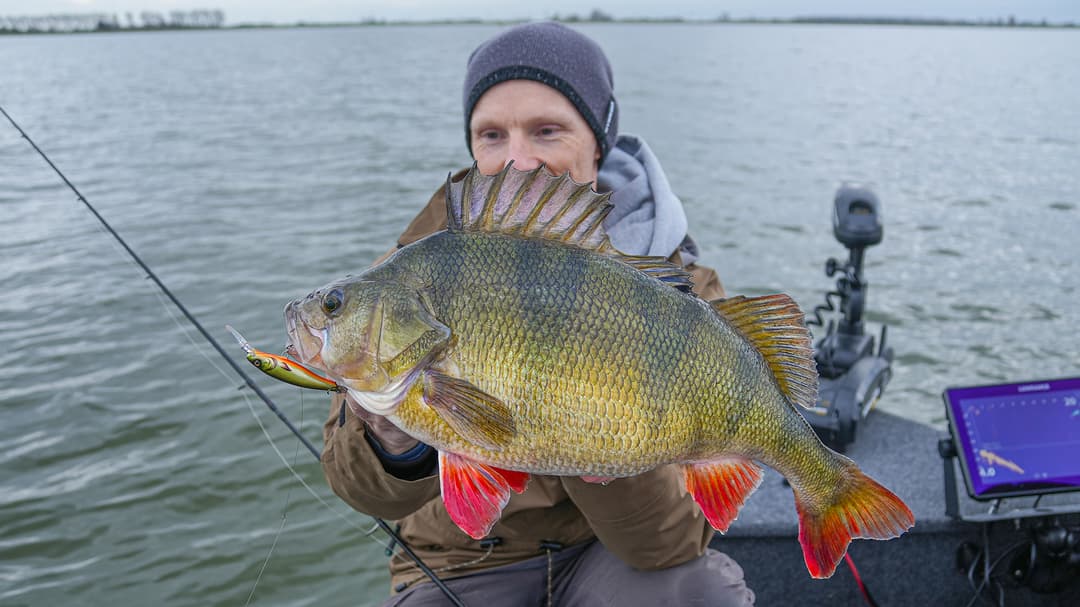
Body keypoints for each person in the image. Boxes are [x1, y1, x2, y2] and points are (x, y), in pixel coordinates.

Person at [321, 22, 755, 606]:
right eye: (491, 134)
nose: (517, 160)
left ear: (598, 141)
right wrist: (394, 441)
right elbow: (365, 491)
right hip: (461, 564)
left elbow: (666, 545)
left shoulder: (682, 295)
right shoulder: (404, 283)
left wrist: (599, 435)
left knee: (701, 591)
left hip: (608, 555)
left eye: (547, 131)